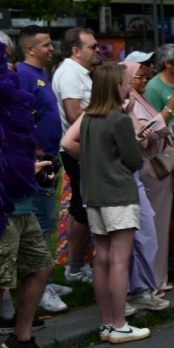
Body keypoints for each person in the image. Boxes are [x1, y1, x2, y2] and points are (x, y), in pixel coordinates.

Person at [0, 32, 55, 348]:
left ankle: (21, 339)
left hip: (21, 198)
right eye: (2, 56)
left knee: (40, 265)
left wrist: (31, 170)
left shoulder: (4, 95)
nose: (9, 63)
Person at [67, 64, 150, 344]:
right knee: (119, 260)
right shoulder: (118, 119)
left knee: (101, 259)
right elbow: (135, 160)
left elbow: (72, 145)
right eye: (127, 82)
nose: (130, 86)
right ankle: (119, 323)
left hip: (94, 195)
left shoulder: (89, 117)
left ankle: (106, 323)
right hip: (118, 193)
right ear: (117, 87)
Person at [14, 26, 71, 313]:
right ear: (30, 48)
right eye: (46, 44)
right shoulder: (23, 75)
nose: (52, 48)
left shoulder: (41, 75)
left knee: (46, 222)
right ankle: (40, 286)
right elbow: (20, 116)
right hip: (38, 162)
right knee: (40, 225)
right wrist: (34, 150)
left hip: (50, 156)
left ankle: (45, 277)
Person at [126, 60, 174, 295]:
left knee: (158, 227)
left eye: (144, 77)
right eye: (139, 77)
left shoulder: (137, 99)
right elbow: (144, 136)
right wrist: (170, 109)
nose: (144, 81)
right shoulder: (129, 102)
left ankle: (157, 277)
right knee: (150, 228)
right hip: (148, 168)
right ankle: (151, 280)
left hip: (156, 168)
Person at [51, 26, 98, 286]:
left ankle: (75, 265)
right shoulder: (70, 72)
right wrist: (105, 109)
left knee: (80, 207)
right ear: (76, 50)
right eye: (92, 47)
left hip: (82, 146)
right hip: (77, 148)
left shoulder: (78, 71)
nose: (97, 51)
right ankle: (77, 267)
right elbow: (72, 114)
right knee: (82, 209)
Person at [144, 44, 174, 190]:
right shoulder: (153, 88)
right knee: (170, 195)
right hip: (167, 151)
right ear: (168, 64)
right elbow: (152, 122)